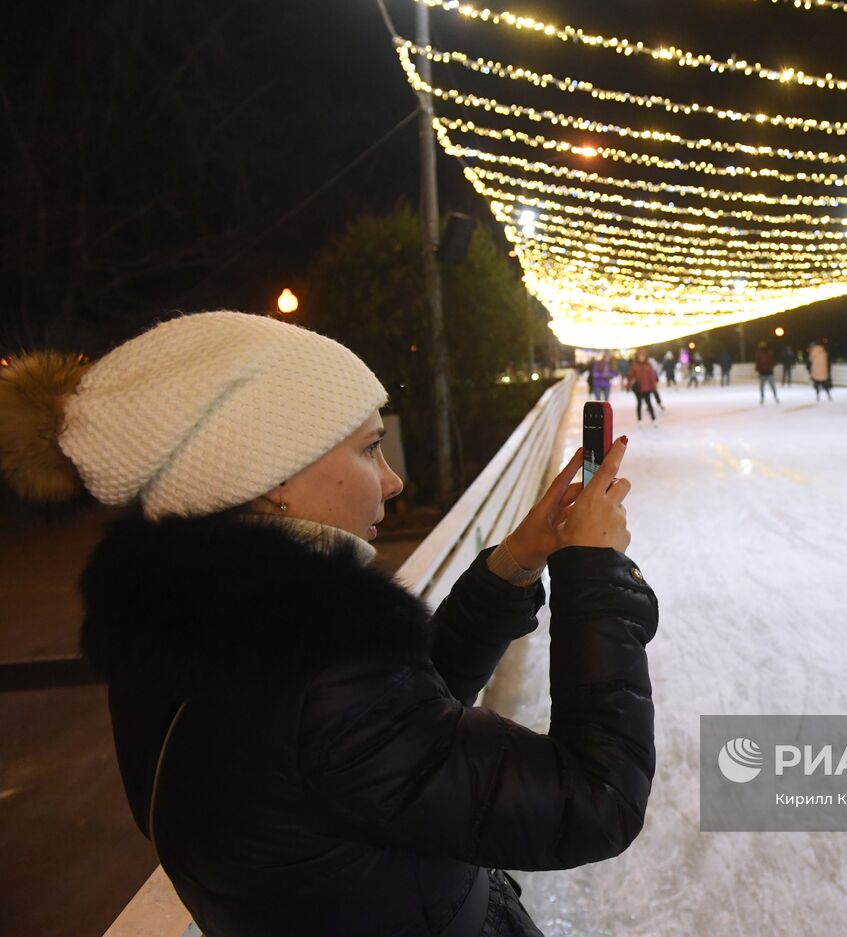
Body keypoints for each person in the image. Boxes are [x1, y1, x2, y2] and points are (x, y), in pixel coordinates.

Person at [0, 312, 657, 937]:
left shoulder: (192, 630)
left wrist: (513, 561)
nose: (394, 480)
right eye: (370, 448)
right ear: (272, 474)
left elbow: (401, 738)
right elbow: (596, 798)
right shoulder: (316, 678)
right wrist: (592, 573)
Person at [628, 348, 659, 422]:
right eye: (640, 356)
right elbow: (630, 376)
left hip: (646, 388)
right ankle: (639, 419)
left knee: (649, 403)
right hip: (638, 388)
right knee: (639, 403)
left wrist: (653, 387)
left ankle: (653, 419)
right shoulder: (635, 365)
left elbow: (652, 377)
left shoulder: (648, 365)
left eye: (643, 356)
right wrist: (628, 385)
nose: (641, 357)